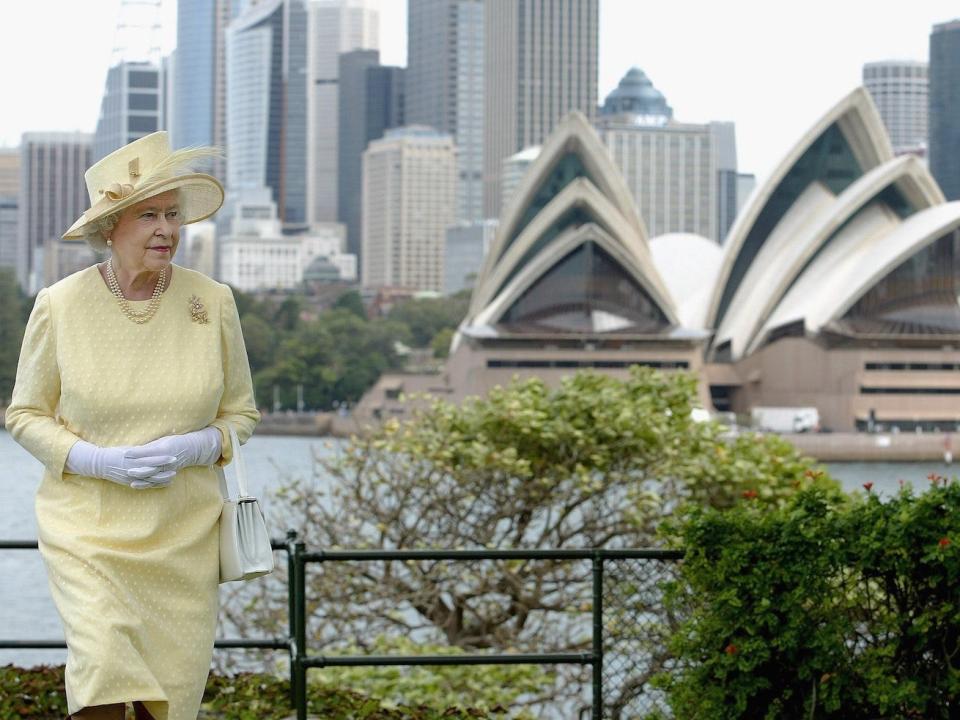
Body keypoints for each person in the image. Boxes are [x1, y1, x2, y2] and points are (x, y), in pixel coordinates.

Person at [5, 131, 260, 720]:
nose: (166, 229)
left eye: (173, 214)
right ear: (109, 227)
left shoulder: (213, 301)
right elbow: (24, 414)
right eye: (149, 215)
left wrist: (196, 447)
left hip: (184, 537)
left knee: (164, 704)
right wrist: (100, 461)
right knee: (103, 680)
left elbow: (241, 413)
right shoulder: (60, 305)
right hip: (89, 533)